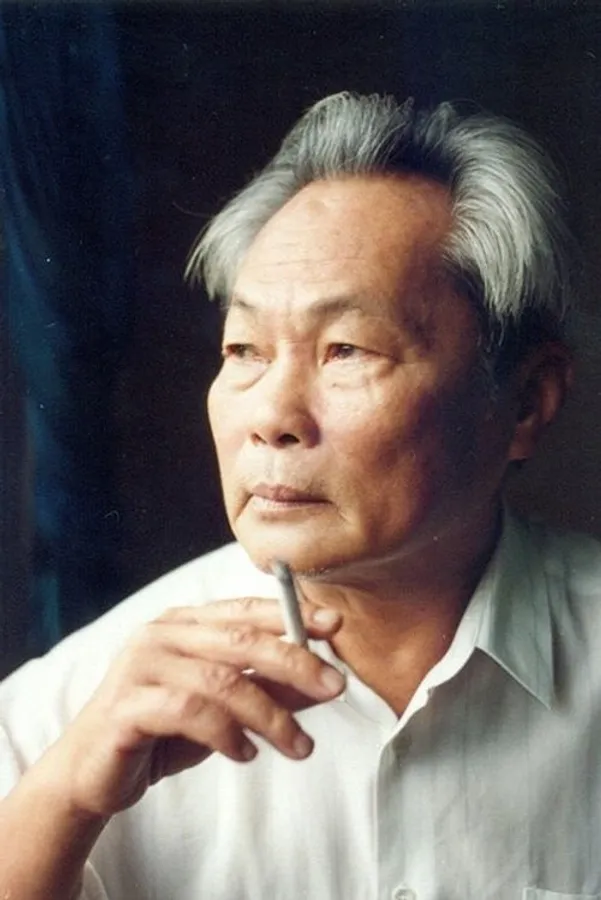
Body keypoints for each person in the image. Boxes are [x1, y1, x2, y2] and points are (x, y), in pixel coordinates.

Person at [0, 91, 597, 900]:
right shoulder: (58, 720)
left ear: (525, 402)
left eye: (345, 349)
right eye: (243, 349)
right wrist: (60, 807)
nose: (271, 417)